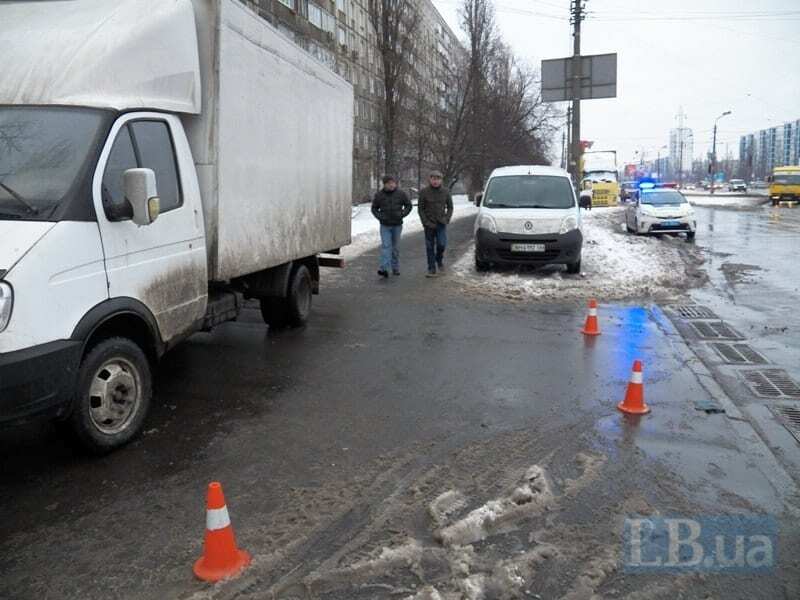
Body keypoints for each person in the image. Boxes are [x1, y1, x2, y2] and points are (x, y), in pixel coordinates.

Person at [371, 175, 412, 278]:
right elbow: (374, 208)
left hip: (397, 225)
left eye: (393, 183)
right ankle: (383, 269)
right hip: (385, 225)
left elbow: (408, 205)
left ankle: (395, 267)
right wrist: (380, 216)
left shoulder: (401, 194)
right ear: (384, 184)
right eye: (389, 183)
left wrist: (402, 214)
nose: (391, 185)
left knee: (395, 248)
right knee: (386, 246)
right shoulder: (379, 195)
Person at [417, 170, 453, 277]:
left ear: (441, 180)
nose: (435, 181)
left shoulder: (446, 192)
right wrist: (425, 222)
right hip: (429, 224)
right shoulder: (424, 192)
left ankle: (439, 259)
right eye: (433, 179)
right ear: (430, 179)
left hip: (441, 223)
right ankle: (431, 268)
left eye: (438, 179)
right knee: (429, 247)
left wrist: (447, 218)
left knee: (442, 244)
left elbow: (450, 207)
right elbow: (421, 209)